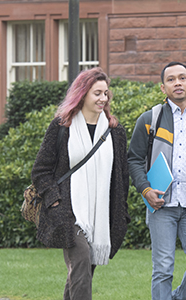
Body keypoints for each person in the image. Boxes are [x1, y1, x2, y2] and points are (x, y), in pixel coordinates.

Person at [31, 67, 130, 300]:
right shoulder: (61, 127)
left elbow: (121, 177)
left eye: (106, 93)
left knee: (82, 270)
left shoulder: (115, 132)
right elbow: (41, 170)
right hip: (67, 210)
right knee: (82, 258)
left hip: (101, 214)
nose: (103, 98)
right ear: (83, 93)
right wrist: (54, 201)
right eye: (97, 93)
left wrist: (120, 211)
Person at [128, 62, 186, 300]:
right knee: (162, 269)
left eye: (182, 78)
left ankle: (178, 297)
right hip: (161, 205)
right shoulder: (149, 120)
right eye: (171, 79)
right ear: (163, 87)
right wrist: (145, 189)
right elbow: (134, 159)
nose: (177, 83)